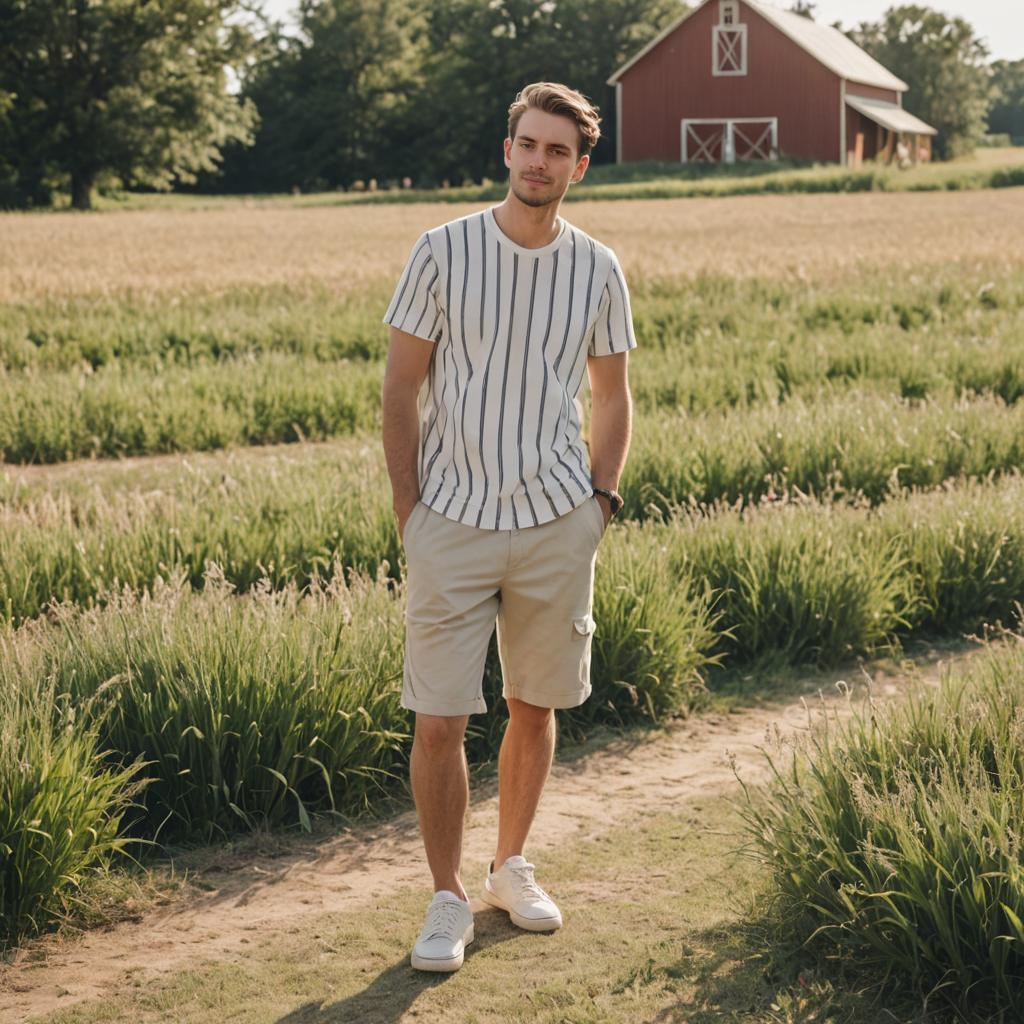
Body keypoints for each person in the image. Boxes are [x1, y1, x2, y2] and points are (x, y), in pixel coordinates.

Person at [380, 81, 636, 973]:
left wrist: (597, 505)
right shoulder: (442, 250)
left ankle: (510, 866)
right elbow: (400, 389)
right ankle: (447, 897)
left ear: (579, 165)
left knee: (536, 704)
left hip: (557, 522)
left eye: (557, 151)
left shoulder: (599, 267)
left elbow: (612, 397)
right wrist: (412, 512)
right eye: (529, 145)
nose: (539, 162)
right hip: (449, 521)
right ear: (507, 149)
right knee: (440, 718)